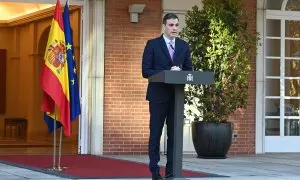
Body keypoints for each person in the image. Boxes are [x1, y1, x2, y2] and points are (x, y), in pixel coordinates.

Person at [142, 13, 193, 180]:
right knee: (155, 133)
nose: (174, 28)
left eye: (176, 25)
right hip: (157, 96)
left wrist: (181, 73)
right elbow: (146, 71)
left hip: (176, 98)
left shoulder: (184, 46)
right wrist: (166, 73)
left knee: (174, 135)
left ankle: (171, 171)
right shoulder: (153, 45)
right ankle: (155, 170)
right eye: (171, 25)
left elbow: (189, 71)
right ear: (164, 26)